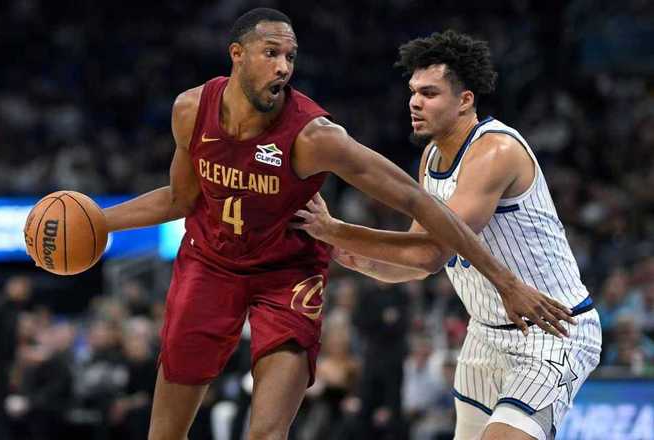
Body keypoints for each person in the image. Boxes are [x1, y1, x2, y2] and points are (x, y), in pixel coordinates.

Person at [102, 10, 573, 440]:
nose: (283, 67)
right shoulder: (190, 110)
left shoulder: (315, 136)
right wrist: (101, 221)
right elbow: (180, 198)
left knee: (265, 433)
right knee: (164, 433)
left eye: (290, 57)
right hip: (210, 264)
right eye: (271, 53)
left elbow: (417, 212)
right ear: (237, 54)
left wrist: (505, 282)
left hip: (285, 277)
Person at [294, 30, 602, 440]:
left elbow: (432, 251)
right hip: (485, 335)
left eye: (429, 93)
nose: (414, 102)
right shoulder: (432, 156)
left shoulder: (495, 151)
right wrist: (359, 259)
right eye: (413, 92)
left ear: (465, 100)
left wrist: (337, 229)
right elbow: (417, 266)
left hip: (550, 329)